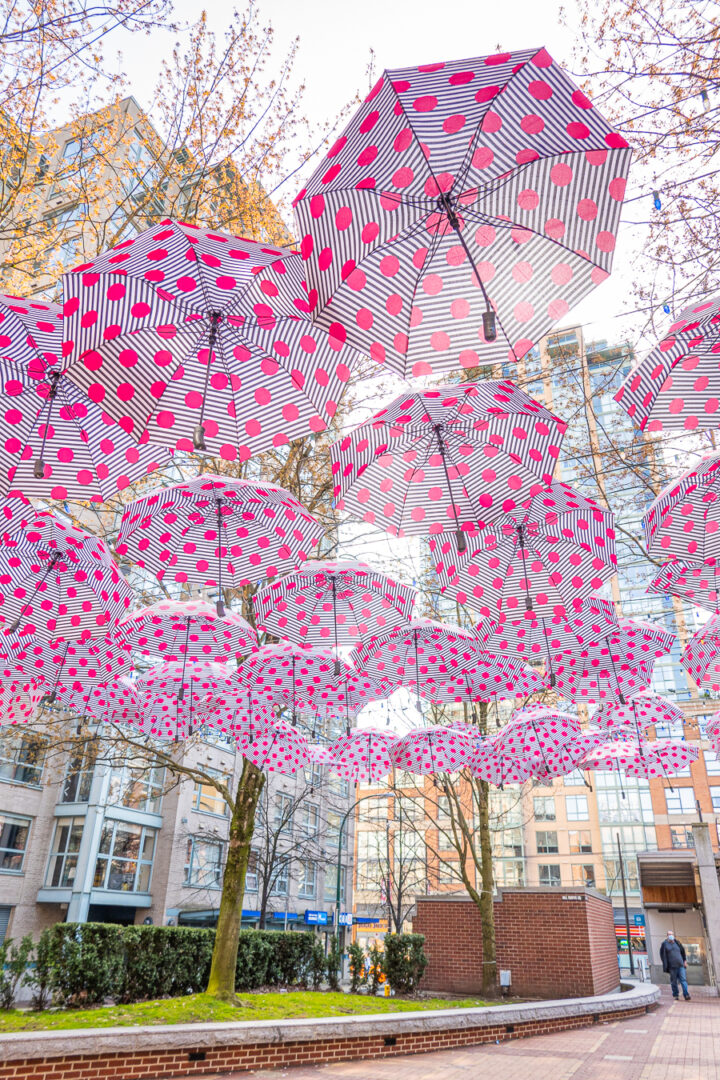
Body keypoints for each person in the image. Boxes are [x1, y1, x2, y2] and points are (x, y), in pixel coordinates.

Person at [660, 930, 691, 1000]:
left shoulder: (677, 943)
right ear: (667, 936)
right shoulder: (664, 944)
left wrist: (685, 961)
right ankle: (676, 995)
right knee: (674, 981)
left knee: (683, 980)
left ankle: (686, 994)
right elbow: (662, 955)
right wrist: (666, 965)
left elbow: (683, 952)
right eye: (669, 934)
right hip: (672, 966)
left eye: (672, 934)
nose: (671, 936)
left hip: (681, 965)